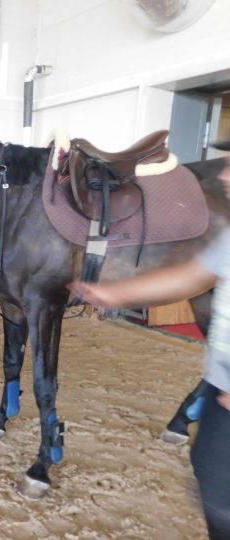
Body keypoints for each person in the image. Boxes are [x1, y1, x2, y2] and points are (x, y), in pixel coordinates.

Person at [68, 159, 230, 540]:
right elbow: (192, 276)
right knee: (210, 477)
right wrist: (115, 292)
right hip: (220, 386)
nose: (223, 175)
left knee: (220, 496)